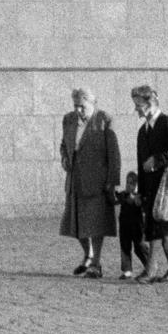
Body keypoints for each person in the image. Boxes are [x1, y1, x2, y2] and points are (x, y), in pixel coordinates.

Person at [59, 88, 121, 278]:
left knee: (96, 224)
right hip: (75, 180)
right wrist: (64, 158)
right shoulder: (69, 119)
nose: (78, 110)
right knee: (74, 223)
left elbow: (114, 153)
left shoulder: (103, 120)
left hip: (97, 181)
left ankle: (96, 264)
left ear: (93, 104)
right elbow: (64, 145)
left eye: (82, 106)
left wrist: (113, 181)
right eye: (76, 105)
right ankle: (88, 255)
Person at [131, 84, 168, 283]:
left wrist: (157, 160)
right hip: (151, 187)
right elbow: (141, 164)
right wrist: (140, 192)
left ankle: (151, 269)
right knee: (162, 227)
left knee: (158, 226)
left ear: (150, 103)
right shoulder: (142, 131)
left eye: (138, 104)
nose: (136, 109)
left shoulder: (167, 123)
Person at [117, 170, 149, 280]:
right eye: (128, 183)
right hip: (124, 226)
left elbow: (141, 205)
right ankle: (127, 270)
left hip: (137, 227)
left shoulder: (138, 197)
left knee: (139, 247)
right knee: (125, 246)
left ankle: (149, 264)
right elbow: (116, 198)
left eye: (132, 183)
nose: (129, 186)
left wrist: (136, 199)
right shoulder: (123, 195)